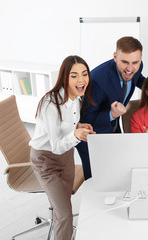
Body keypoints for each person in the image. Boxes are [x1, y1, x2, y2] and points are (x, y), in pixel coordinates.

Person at [29, 55, 95, 240]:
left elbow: (67, 129)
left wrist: (79, 128)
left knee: (64, 208)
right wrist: (75, 135)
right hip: (46, 160)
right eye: (74, 76)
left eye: (84, 74)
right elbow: (56, 146)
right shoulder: (50, 104)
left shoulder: (77, 98)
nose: (81, 80)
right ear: (64, 78)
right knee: (65, 214)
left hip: (66, 156)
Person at [76, 36, 146, 180]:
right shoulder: (97, 81)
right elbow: (87, 122)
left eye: (135, 62)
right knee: (96, 181)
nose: (130, 68)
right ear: (115, 57)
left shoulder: (137, 66)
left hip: (112, 130)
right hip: (91, 137)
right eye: (125, 62)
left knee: (117, 173)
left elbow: (136, 77)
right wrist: (111, 114)